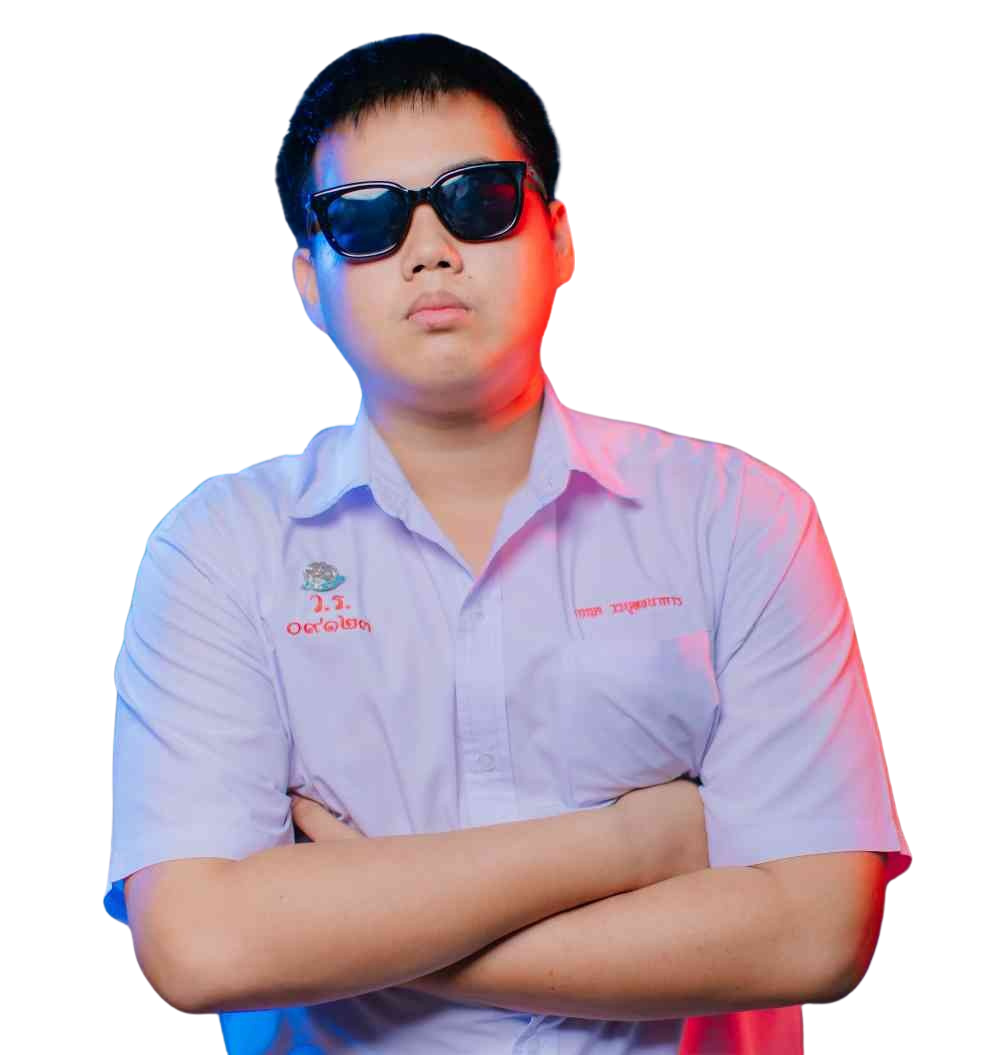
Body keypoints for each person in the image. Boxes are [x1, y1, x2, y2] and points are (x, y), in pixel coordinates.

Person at [104, 32, 912, 1054]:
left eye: (478, 200)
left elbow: (817, 933)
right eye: (367, 220)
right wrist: (634, 842)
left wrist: (349, 921)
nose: (430, 249)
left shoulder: (741, 516)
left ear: (559, 239)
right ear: (310, 281)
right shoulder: (218, 549)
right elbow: (202, 948)